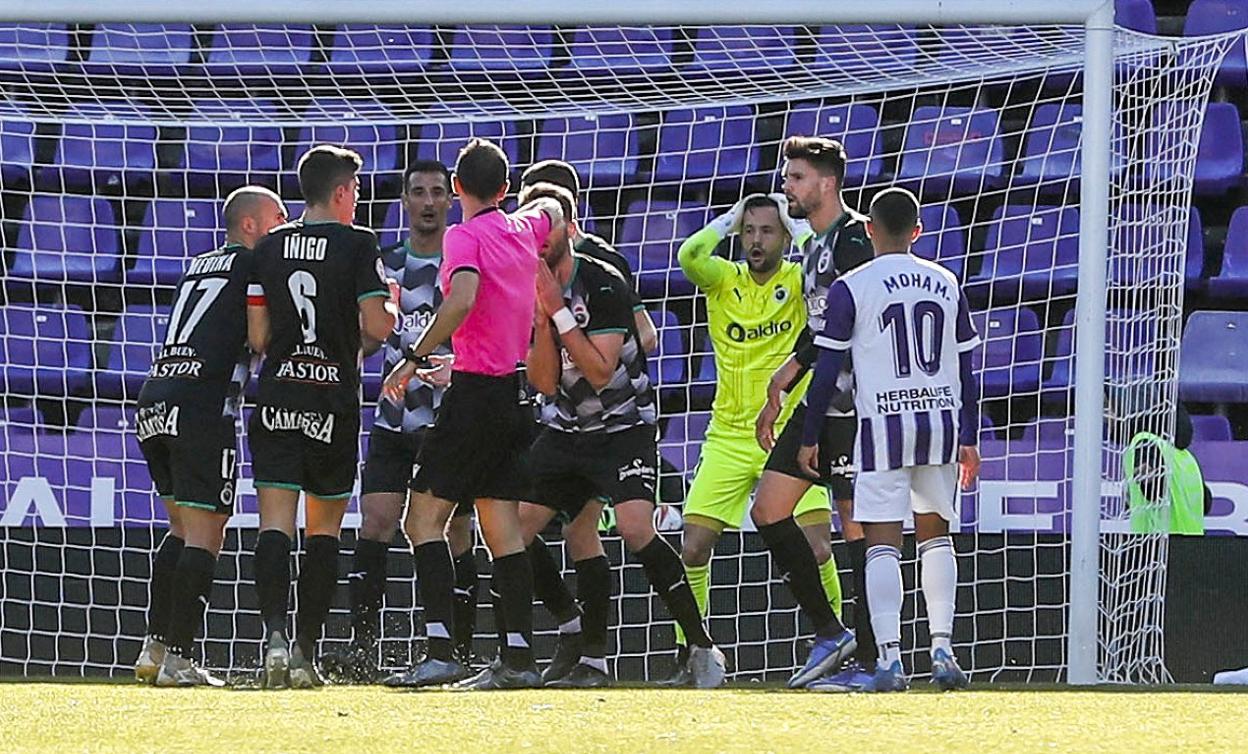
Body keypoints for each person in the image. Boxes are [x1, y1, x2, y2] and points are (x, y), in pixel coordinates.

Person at [517, 181, 726, 689]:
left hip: (622, 427)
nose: (539, 238)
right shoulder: (526, 286)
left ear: (568, 226)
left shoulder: (603, 281)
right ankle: (577, 637)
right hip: (566, 429)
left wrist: (558, 311)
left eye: (547, 226)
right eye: (531, 229)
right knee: (511, 529)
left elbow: (601, 371)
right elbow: (544, 382)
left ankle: (700, 645)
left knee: (634, 528)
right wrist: (542, 321)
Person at [381, 138, 564, 690]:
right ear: (505, 190)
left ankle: (442, 650)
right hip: (515, 392)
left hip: (477, 395)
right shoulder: (521, 228)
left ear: (457, 187)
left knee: (423, 520)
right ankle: (518, 658)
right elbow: (552, 212)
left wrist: (411, 361)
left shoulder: (464, 236)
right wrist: (534, 208)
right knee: (501, 527)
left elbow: (461, 299)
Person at [798, 187, 981, 693]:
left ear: (870, 230)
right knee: (935, 535)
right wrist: (970, 435)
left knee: (882, 540)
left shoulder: (852, 286)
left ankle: (891, 660)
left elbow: (829, 365)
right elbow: (967, 366)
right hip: (940, 425)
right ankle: (942, 647)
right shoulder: (946, 281)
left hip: (884, 427)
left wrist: (810, 433)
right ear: (917, 232)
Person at [667, 192, 843, 684]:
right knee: (694, 547)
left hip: (787, 432)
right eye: (750, 231)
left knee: (818, 549)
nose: (756, 240)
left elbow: (824, 259)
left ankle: (834, 644)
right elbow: (688, 257)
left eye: (768, 230)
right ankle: (694, 652)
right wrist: (726, 220)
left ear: (786, 236)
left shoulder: (798, 277)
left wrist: (797, 222)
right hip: (727, 433)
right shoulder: (723, 280)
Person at [319, 160, 480, 683]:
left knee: (455, 530)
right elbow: (368, 339)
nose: (429, 201)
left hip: (452, 421)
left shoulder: (464, 265)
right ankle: (362, 648)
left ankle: (460, 648)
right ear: (405, 202)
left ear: (450, 200)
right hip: (393, 418)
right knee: (376, 523)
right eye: (418, 193)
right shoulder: (384, 265)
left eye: (438, 192)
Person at [247, 145, 399, 689]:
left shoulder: (268, 247)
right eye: (355, 190)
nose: (357, 200)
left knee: (274, 524)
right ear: (339, 192)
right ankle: (307, 652)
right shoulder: (359, 244)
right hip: (331, 399)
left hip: (278, 395)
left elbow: (259, 338)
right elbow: (380, 328)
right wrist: (386, 310)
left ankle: (273, 641)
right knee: (324, 529)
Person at [133, 186, 287, 687]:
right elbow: (260, 339)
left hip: (156, 397)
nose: (284, 227)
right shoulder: (253, 267)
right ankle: (179, 659)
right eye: (277, 218)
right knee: (206, 534)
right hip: (204, 405)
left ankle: (155, 648)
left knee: (179, 527)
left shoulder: (197, 265)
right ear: (250, 225)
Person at [752, 136, 874, 688]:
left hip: (853, 408)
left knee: (857, 529)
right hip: (818, 399)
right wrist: (785, 374)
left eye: (796, 177)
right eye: (787, 176)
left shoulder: (854, 241)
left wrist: (806, 381)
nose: (787, 186)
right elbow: (820, 326)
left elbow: (849, 333)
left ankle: (872, 657)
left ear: (826, 183)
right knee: (768, 510)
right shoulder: (812, 247)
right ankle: (830, 631)